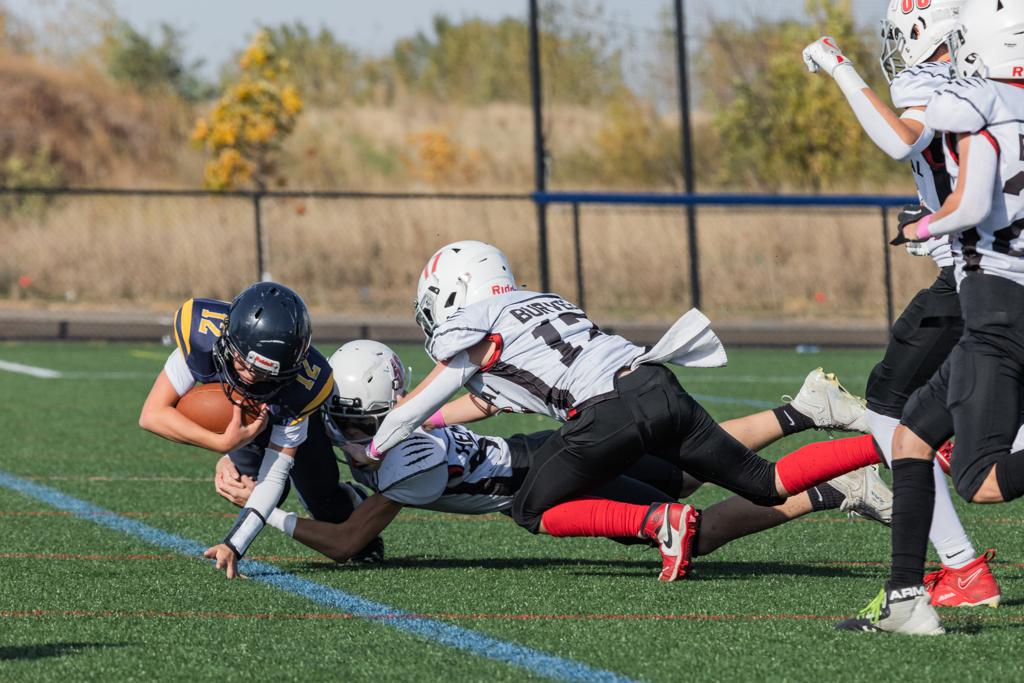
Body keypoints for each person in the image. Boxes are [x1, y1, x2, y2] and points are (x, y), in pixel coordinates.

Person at [334, 240, 886, 582]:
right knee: (768, 484)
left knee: (529, 509)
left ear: (456, 293)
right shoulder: (541, 301)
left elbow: (413, 410)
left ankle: (659, 523)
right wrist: (429, 421)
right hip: (655, 381)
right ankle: (886, 442)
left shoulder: (475, 327)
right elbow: (485, 400)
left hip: (605, 414)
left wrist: (373, 446)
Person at [214, 340, 892, 575]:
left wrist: (265, 513)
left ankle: (836, 490)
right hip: (542, 450)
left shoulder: (401, 463)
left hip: (548, 479)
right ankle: (803, 412)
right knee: (687, 465)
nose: (355, 433)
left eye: (361, 422)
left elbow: (346, 542)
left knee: (696, 528)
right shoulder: (394, 421)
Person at [801, 0, 999, 608]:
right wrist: (936, 216)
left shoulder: (936, 80)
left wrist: (840, 68)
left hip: (977, 273)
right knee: (978, 401)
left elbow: (898, 140)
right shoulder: (990, 77)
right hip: (994, 261)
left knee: (892, 406)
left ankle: (962, 567)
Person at [138, 282, 380, 573]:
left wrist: (235, 544)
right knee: (243, 484)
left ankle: (350, 504)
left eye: (265, 372)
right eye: (242, 363)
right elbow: (152, 414)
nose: (250, 377)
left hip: (283, 415)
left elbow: (275, 475)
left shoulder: (303, 387)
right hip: (243, 424)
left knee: (323, 500)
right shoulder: (203, 335)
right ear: (228, 338)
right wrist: (221, 444)